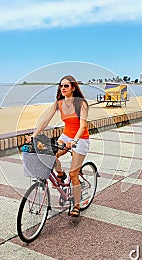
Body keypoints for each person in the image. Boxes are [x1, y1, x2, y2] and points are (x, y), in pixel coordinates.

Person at [28, 75, 90, 217]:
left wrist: (74, 141)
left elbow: (83, 126)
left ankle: (76, 205)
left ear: (73, 88)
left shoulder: (81, 104)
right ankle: (60, 175)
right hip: (66, 136)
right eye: (61, 86)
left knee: (73, 174)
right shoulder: (59, 103)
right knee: (51, 156)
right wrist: (34, 135)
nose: (62, 88)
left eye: (66, 86)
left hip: (80, 139)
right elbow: (44, 121)